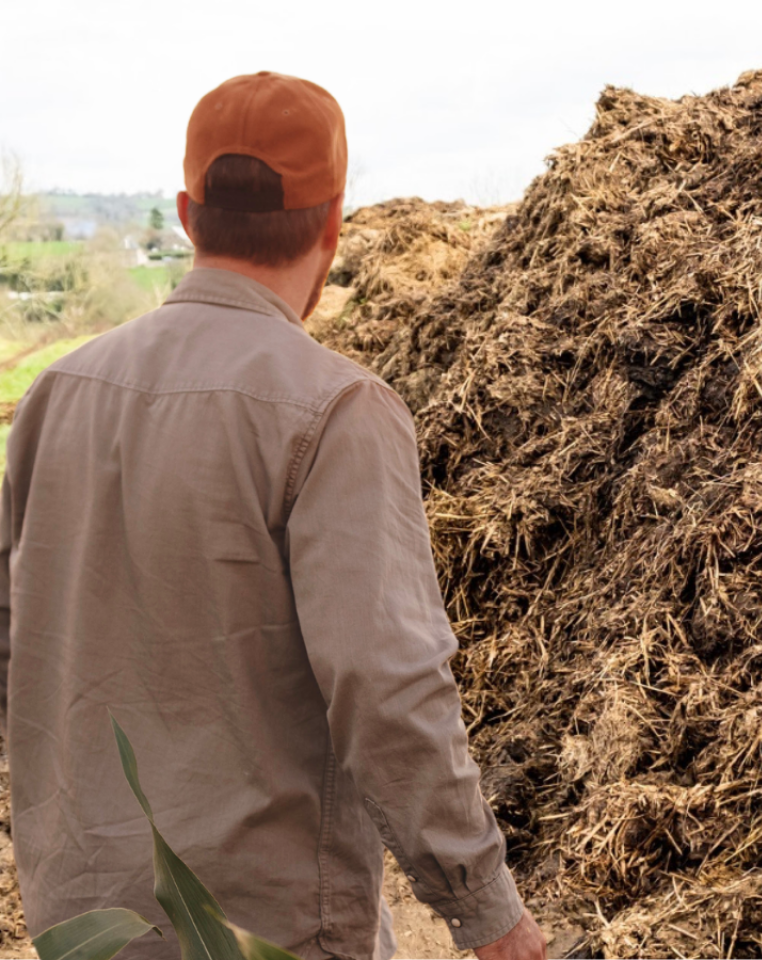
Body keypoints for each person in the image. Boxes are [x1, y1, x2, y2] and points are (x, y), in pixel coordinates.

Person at [0, 72, 546, 960]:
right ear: (333, 225)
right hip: (266, 932)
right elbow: (387, 686)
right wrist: (491, 916)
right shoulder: (336, 412)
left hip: (83, 923)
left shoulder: (59, 394)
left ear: (185, 213)